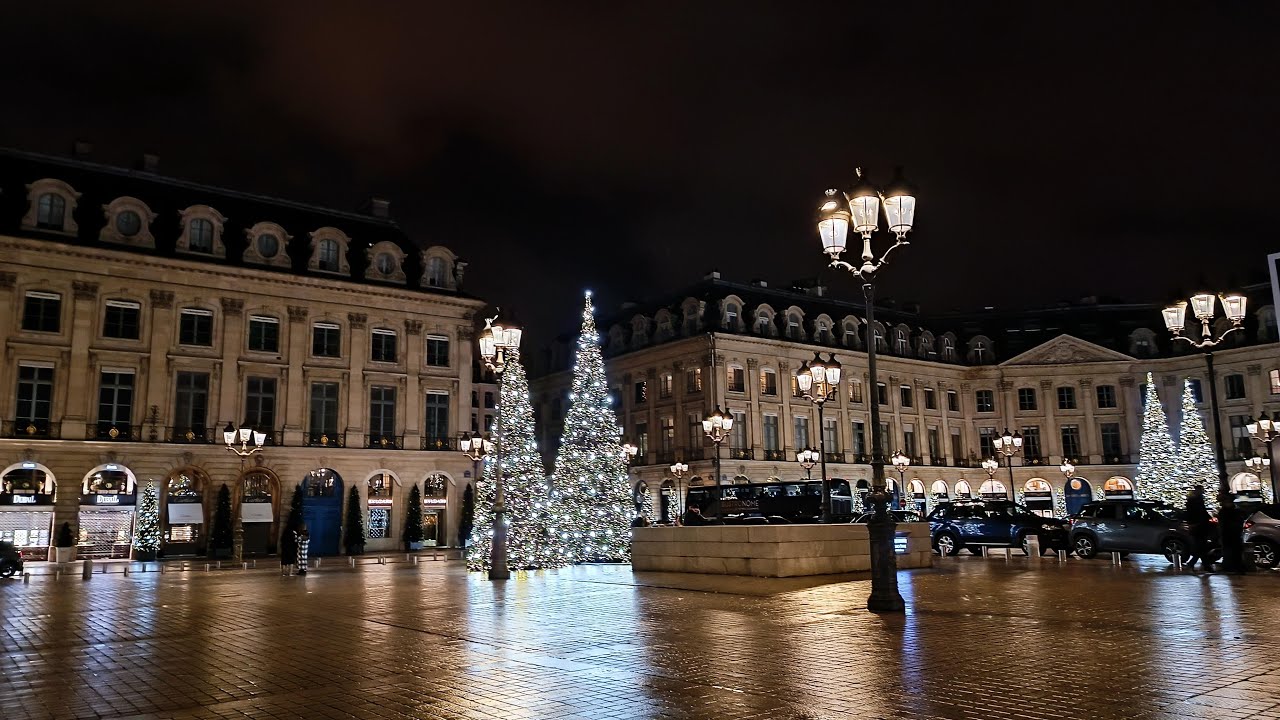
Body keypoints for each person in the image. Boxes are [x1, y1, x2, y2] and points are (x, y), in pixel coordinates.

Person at [1185, 485, 1210, 569]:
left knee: (1201, 546)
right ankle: (1204, 564)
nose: (1203, 491)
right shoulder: (1196, 501)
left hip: (1198, 526)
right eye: (1202, 490)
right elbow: (1201, 513)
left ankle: (1199, 563)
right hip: (1199, 526)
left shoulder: (1194, 500)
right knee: (1202, 546)